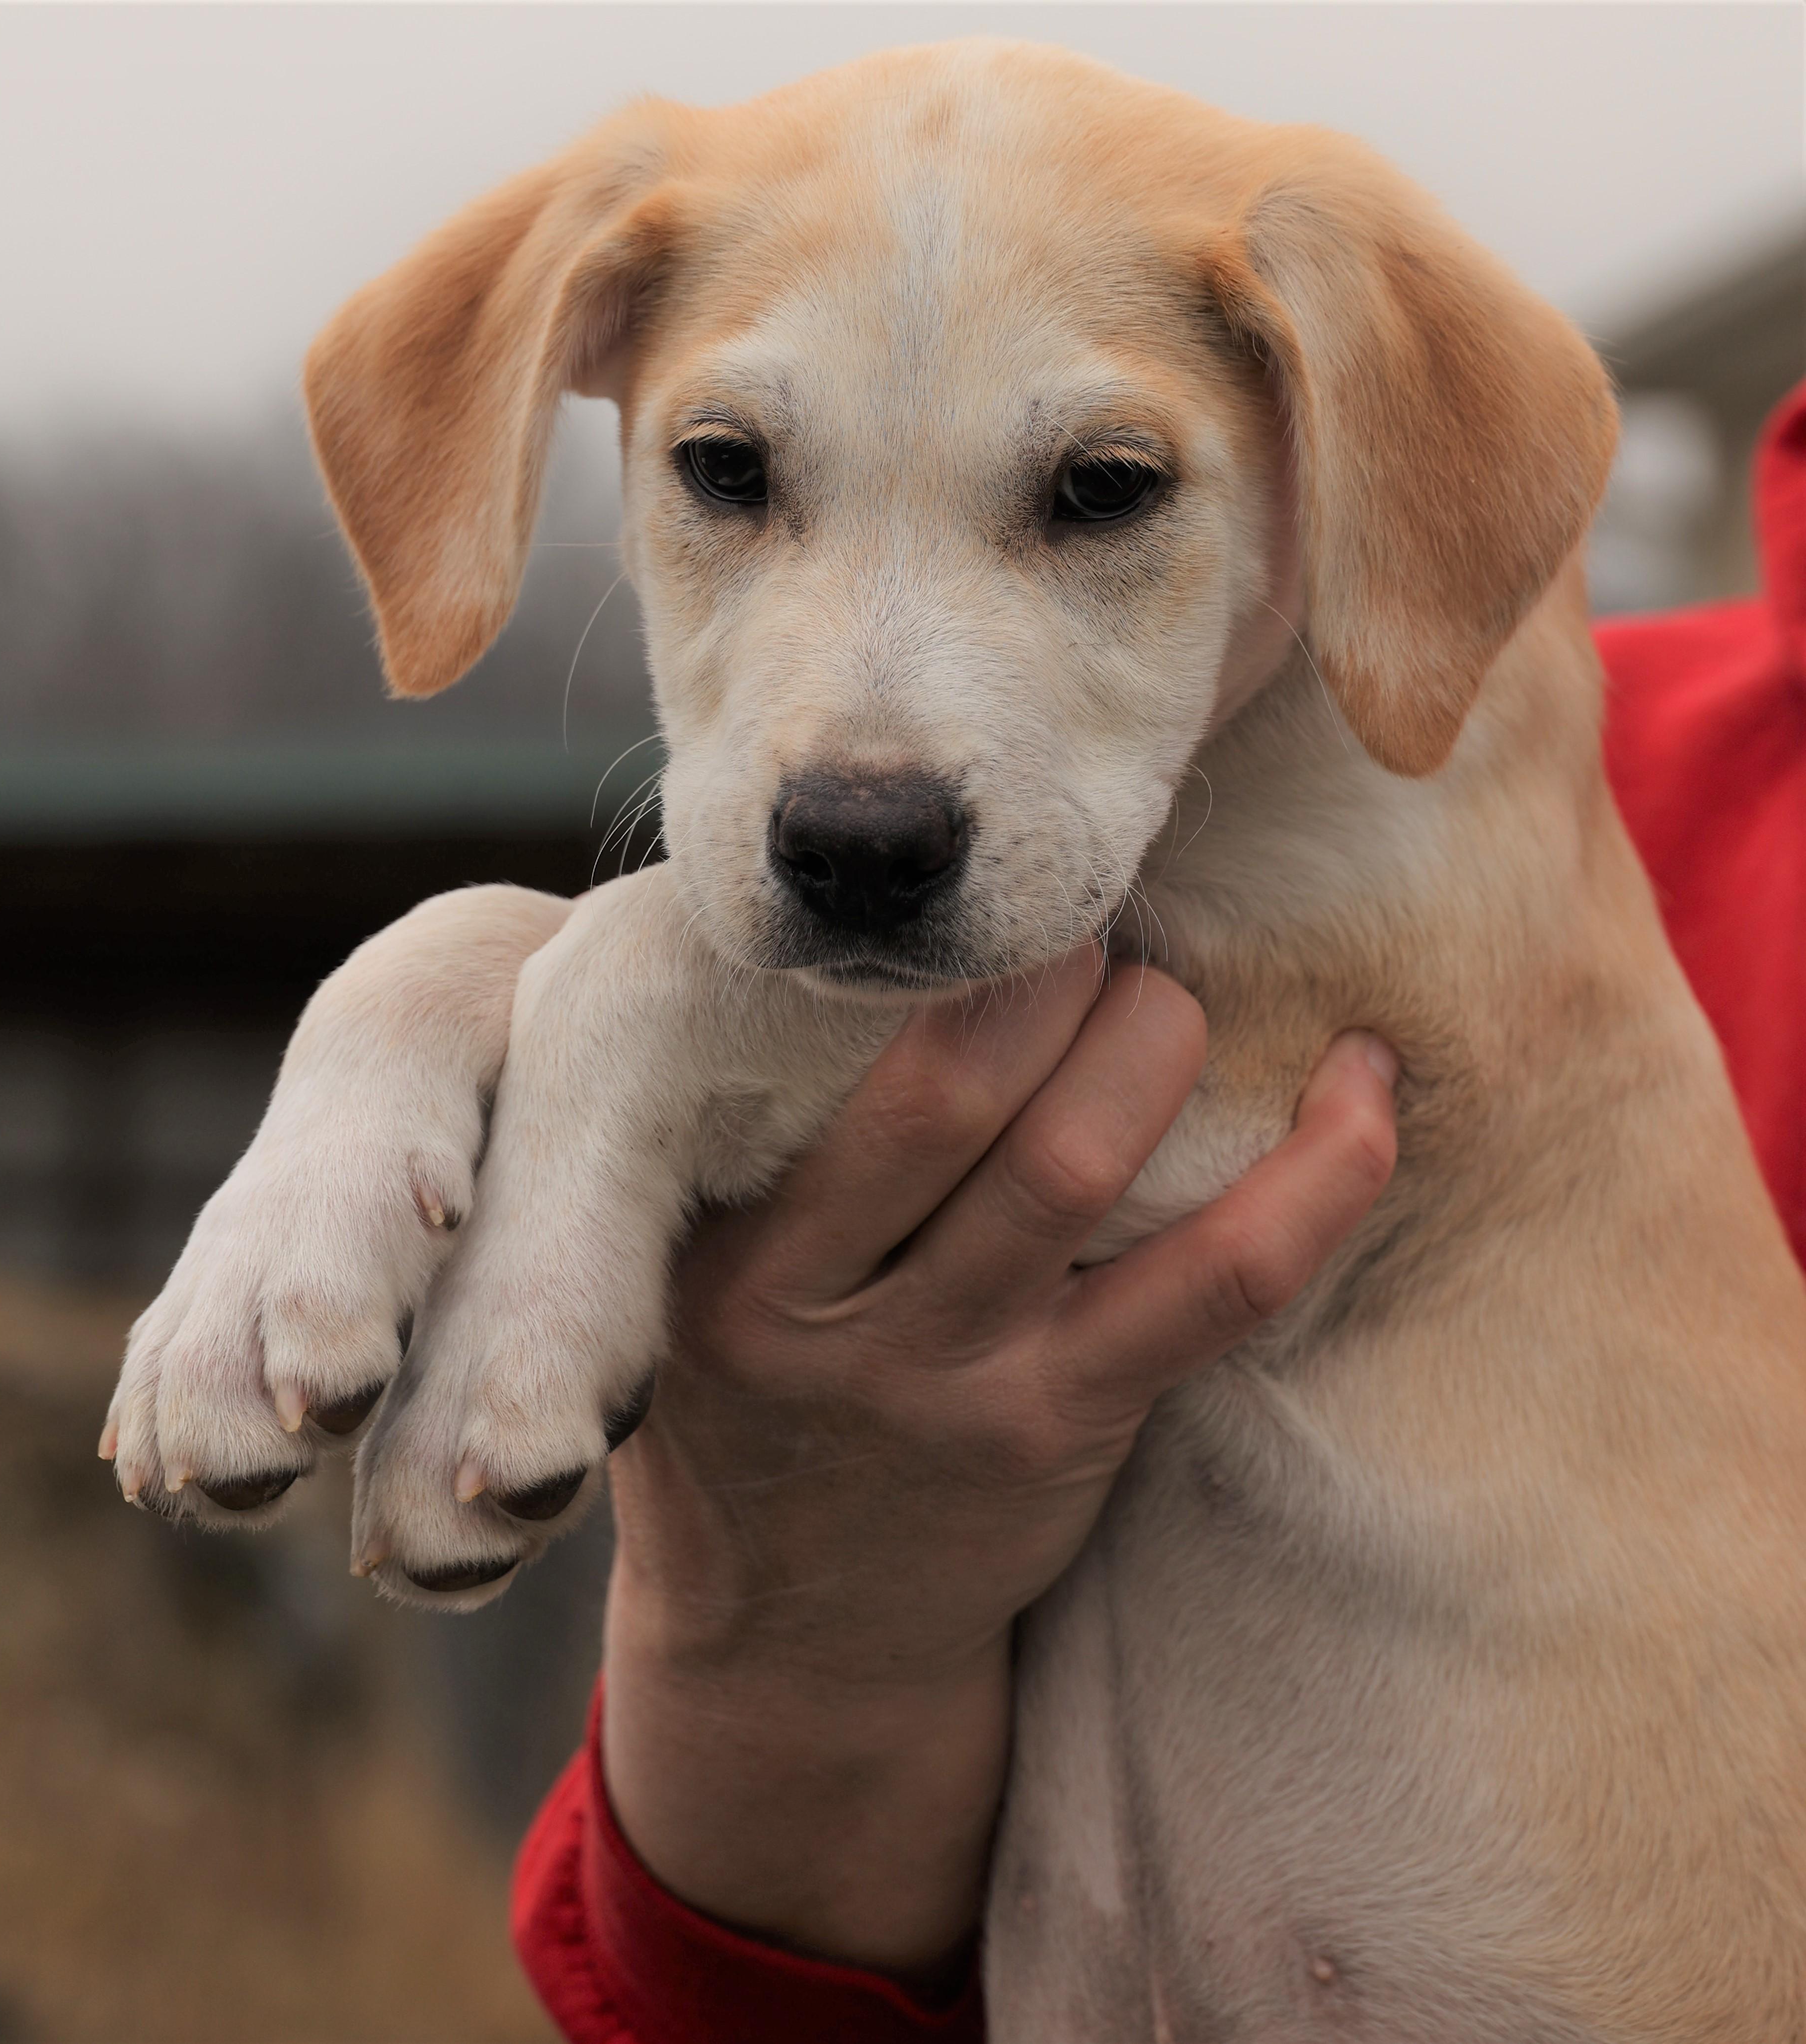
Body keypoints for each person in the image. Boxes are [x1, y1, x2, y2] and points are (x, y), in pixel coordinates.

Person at [512, 380, 1806, 2044]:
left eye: (1103, 488)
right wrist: (767, 1642)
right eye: (728, 476)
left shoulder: (1508, 793)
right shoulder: (1469, 741)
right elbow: (719, 1988)